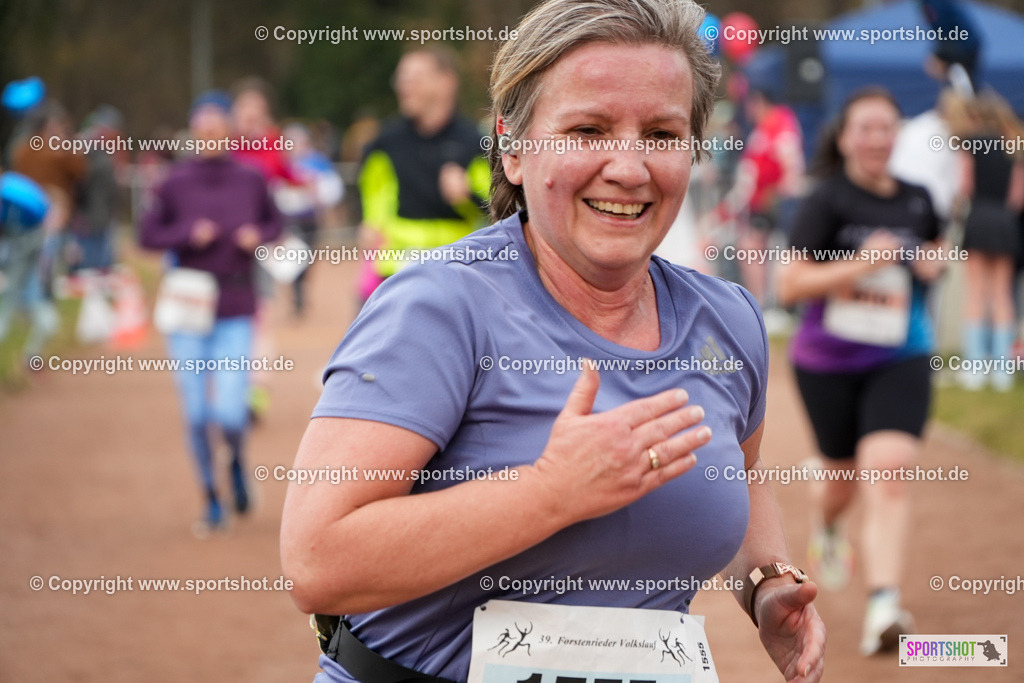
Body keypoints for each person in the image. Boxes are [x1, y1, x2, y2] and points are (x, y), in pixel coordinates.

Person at [281, 2, 825, 682]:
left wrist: (766, 581)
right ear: (513, 147)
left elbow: (736, 468)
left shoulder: (728, 319)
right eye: (588, 129)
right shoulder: (439, 307)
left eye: (661, 133)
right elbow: (316, 560)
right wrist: (548, 493)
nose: (629, 167)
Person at [777, 87, 946, 656]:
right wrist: (858, 264)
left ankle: (884, 607)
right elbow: (789, 285)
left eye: (886, 127)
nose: (877, 138)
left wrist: (932, 262)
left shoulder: (919, 199)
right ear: (846, 138)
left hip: (901, 355)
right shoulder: (826, 201)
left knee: (889, 469)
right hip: (827, 363)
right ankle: (827, 526)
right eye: (866, 128)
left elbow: (935, 249)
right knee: (840, 480)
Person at [140, 91, 282, 536]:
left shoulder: (251, 178)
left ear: (229, 130)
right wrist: (187, 233)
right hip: (187, 309)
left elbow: (276, 223)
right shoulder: (174, 180)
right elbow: (147, 234)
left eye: (216, 125)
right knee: (198, 415)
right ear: (192, 130)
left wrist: (257, 234)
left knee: (232, 415)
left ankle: (236, 460)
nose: (208, 133)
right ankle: (211, 498)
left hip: (236, 306)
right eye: (201, 127)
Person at [356, 46, 490, 303]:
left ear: (447, 82)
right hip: (393, 276)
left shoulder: (475, 142)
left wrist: (466, 194)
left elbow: (496, 208)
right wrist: (370, 225)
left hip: (456, 274)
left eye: (415, 78)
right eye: (400, 79)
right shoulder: (385, 142)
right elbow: (375, 196)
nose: (404, 86)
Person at [949, 92, 1024, 391]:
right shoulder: (1013, 145)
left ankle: (975, 368)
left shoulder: (970, 144)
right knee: (1003, 294)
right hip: (1006, 222)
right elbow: (1018, 197)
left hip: (979, 217)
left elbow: (965, 186)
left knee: (976, 293)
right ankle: (1003, 372)